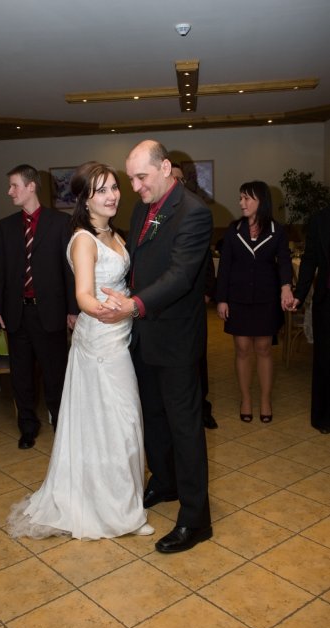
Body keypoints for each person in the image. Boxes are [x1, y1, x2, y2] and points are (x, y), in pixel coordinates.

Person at [7, 161, 153, 539]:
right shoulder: (84, 239)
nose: (112, 195)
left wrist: (131, 305)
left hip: (121, 335)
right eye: (101, 190)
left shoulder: (114, 234)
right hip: (102, 339)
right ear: (85, 199)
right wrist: (107, 311)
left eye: (114, 187)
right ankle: (118, 512)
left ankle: (123, 503)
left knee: (122, 423)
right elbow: (84, 294)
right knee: (116, 425)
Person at [98, 140, 213, 554]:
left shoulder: (194, 212)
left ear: (165, 168)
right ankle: (165, 482)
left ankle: (196, 519)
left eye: (141, 177)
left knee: (185, 428)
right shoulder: (142, 208)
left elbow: (181, 276)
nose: (134, 187)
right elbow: (139, 264)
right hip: (143, 334)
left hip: (176, 337)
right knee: (154, 417)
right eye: (130, 179)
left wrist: (134, 305)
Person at [0, 164, 78, 449]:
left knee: (55, 374)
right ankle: (27, 426)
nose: (9, 191)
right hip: (17, 314)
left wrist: (73, 310)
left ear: (31, 186)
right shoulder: (6, 226)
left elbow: (69, 271)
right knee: (22, 376)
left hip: (50, 313)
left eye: (14, 185)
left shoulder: (61, 223)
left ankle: (61, 425)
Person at [216, 181, 293, 423]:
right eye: (241, 198)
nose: (241, 203)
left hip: (266, 299)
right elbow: (225, 267)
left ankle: (266, 400)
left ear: (261, 201)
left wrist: (286, 287)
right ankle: (246, 399)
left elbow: (284, 262)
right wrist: (221, 299)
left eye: (247, 198)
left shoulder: (277, 231)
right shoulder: (234, 230)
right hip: (237, 298)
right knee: (242, 349)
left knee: (263, 348)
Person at [171, 162, 218, 429]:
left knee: (197, 359)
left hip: (193, 304)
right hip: (166, 306)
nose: (176, 184)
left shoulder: (194, 212)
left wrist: (207, 292)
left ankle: (203, 408)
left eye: (180, 179)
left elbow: (206, 262)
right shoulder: (157, 216)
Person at [291, 206, 330, 434]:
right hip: (327, 301)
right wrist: (299, 295)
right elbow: (309, 260)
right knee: (325, 359)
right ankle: (324, 417)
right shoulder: (320, 219)